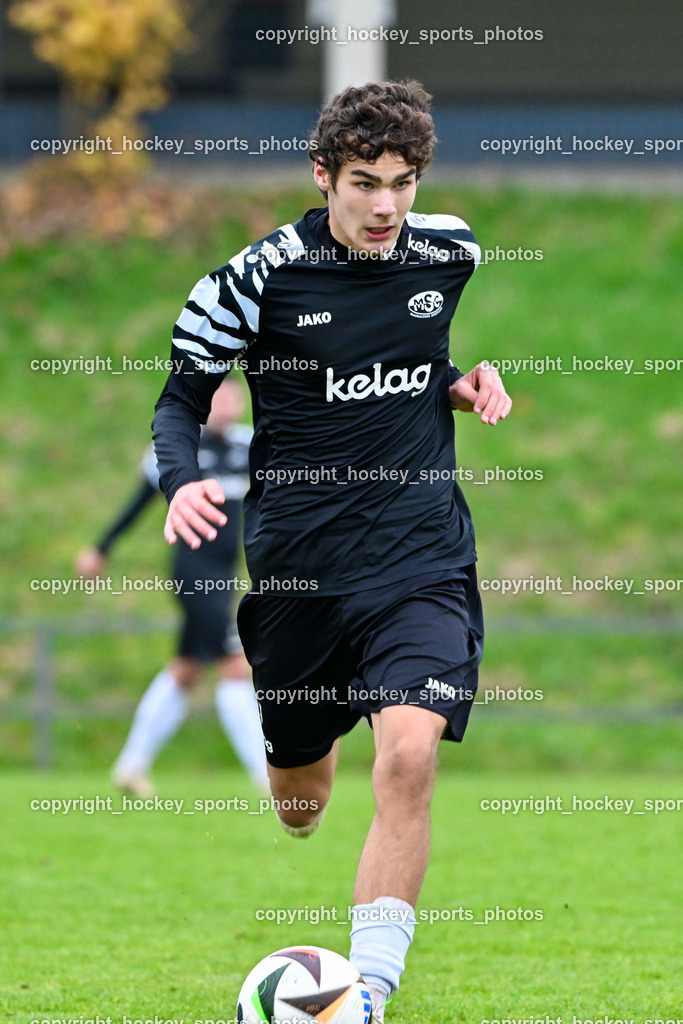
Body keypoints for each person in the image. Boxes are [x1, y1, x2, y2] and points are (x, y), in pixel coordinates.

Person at [152, 81, 512, 1021]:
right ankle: (301, 766)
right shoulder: (253, 278)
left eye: (402, 182)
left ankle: (366, 998)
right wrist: (180, 479)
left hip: (420, 557)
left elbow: (406, 354)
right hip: (300, 571)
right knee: (300, 801)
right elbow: (180, 401)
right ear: (323, 178)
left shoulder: (450, 250)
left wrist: (458, 384)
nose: (386, 205)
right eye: (364, 183)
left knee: (407, 760)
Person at [76, 377, 269, 796]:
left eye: (234, 394)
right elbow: (137, 502)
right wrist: (100, 549)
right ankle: (267, 777)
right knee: (235, 665)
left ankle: (130, 766)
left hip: (224, 575)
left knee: (186, 668)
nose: (228, 402)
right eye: (218, 394)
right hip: (193, 572)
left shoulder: (249, 444)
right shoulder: (183, 448)